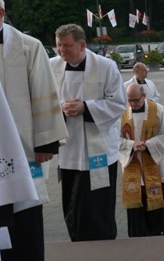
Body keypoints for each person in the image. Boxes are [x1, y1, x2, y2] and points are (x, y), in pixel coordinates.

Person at [0, 0, 67, 261]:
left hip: (23, 146)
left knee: (24, 209)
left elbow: (44, 92)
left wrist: (46, 142)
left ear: (0, 12)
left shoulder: (27, 46)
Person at [51, 23, 127, 242]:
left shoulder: (106, 66)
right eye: (58, 45)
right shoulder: (51, 66)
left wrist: (85, 107)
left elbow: (118, 103)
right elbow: (44, 101)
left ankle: (103, 240)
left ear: (82, 45)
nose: (61, 51)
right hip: (69, 148)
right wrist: (61, 107)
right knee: (73, 201)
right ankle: (77, 240)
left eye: (67, 46)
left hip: (98, 147)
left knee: (96, 202)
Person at [119, 84, 164, 237]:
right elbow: (114, 138)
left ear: (144, 96)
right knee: (137, 193)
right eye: (130, 100)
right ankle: (138, 230)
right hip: (133, 160)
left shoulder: (158, 110)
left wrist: (148, 145)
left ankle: (160, 227)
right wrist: (131, 145)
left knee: (157, 191)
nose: (133, 104)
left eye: (136, 100)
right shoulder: (122, 113)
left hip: (155, 159)